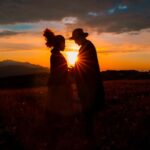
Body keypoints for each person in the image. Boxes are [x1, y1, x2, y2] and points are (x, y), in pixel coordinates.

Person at [69, 28, 105, 139]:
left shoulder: (87, 47)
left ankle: (90, 136)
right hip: (88, 84)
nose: (74, 42)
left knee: (89, 111)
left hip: (89, 85)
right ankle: (91, 134)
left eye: (75, 39)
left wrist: (72, 71)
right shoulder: (86, 46)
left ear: (81, 37)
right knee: (90, 111)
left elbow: (84, 66)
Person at [43, 28, 73, 116]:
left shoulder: (55, 54)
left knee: (54, 109)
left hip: (56, 85)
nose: (65, 46)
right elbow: (59, 73)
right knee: (57, 109)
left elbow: (59, 70)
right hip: (58, 86)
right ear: (59, 44)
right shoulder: (57, 55)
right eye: (64, 43)